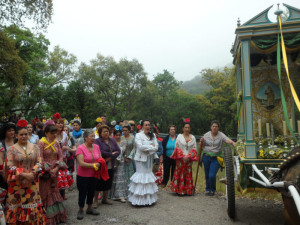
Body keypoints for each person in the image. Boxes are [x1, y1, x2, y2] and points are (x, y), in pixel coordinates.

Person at [6, 119, 47, 224]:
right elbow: (10, 166)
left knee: (32, 206)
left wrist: (32, 174)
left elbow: (39, 162)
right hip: (16, 184)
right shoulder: (11, 149)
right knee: (17, 207)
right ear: (16, 135)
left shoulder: (35, 147)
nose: (23, 136)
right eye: (21, 134)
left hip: (32, 181)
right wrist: (24, 175)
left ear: (28, 134)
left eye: (25, 134)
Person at [38, 120, 67, 224]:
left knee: (55, 191)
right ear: (46, 133)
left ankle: (57, 217)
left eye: (55, 133)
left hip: (55, 171)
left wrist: (56, 168)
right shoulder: (41, 143)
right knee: (46, 192)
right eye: (52, 133)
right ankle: (46, 218)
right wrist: (49, 170)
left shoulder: (56, 143)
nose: (54, 135)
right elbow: (40, 158)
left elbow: (60, 156)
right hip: (45, 172)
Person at [200, 120, 235, 196]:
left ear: (218, 128)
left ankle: (212, 189)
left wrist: (232, 143)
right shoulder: (206, 135)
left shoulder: (221, 135)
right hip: (206, 156)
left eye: (216, 126)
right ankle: (208, 189)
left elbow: (226, 140)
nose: (214, 128)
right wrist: (201, 142)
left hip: (216, 157)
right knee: (207, 174)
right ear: (211, 127)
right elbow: (202, 145)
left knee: (212, 175)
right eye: (213, 126)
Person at [128, 120, 158, 206]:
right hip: (140, 159)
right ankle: (138, 200)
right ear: (142, 126)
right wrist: (150, 146)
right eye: (146, 125)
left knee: (148, 177)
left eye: (149, 125)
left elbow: (156, 147)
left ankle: (148, 199)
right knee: (141, 177)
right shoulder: (138, 135)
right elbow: (140, 147)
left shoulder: (153, 136)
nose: (147, 126)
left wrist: (148, 148)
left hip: (149, 159)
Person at [76, 129, 101, 220]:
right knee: (82, 192)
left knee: (92, 191)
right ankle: (81, 209)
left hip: (94, 175)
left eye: (94, 136)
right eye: (91, 136)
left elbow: (100, 158)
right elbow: (81, 163)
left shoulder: (97, 147)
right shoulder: (80, 148)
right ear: (85, 137)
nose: (93, 138)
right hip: (83, 175)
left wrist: (100, 163)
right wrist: (94, 165)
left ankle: (89, 208)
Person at [93, 125, 120, 207]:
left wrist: (111, 157)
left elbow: (118, 151)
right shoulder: (97, 141)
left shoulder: (112, 140)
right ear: (100, 133)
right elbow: (100, 151)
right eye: (104, 131)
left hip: (111, 164)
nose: (106, 133)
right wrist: (111, 154)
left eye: (107, 131)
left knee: (108, 181)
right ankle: (96, 200)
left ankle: (105, 199)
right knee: (99, 182)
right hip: (101, 164)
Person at [169, 119, 198, 196]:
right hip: (180, 159)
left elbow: (194, 148)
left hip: (189, 160)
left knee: (188, 173)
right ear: (183, 128)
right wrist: (182, 156)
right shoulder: (179, 136)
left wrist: (188, 156)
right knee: (179, 173)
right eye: (185, 127)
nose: (187, 129)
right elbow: (177, 147)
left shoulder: (193, 137)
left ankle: (187, 190)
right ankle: (179, 190)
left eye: (188, 127)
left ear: (190, 128)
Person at [53, 113, 74, 200]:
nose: (60, 124)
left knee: (63, 178)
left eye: (61, 123)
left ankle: (62, 196)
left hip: (64, 158)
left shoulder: (65, 135)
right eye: (58, 123)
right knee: (56, 179)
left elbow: (67, 145)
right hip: (54, 159)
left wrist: (68, 148)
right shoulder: (51, 135)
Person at [108, 129, 128, 202]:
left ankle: (121, 195)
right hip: (113, 161)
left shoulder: (123, 142)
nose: (118, 136)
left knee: (120, 177)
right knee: (113, 177)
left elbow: (124, 152)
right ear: (114, 135)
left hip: (121, 161)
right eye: (116, 135)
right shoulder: (111, 142)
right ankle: (111, 194)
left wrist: (126, 157)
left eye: (119, 135)